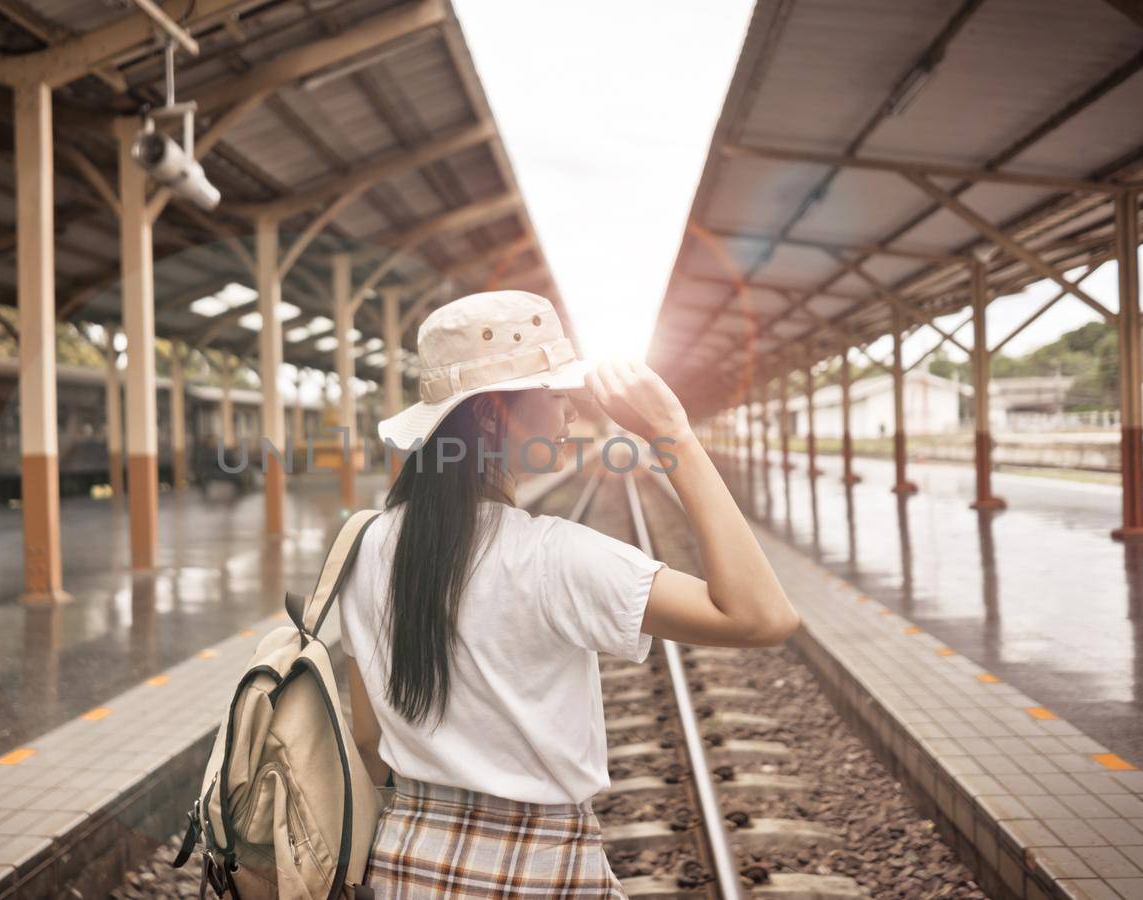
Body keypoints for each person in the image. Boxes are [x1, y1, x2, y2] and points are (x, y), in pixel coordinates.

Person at [339, 289, 799, 898]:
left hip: (403, 865)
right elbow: (762, 618)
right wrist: (675, 437)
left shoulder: (362, 547)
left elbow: (369, 741)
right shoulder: (555, 555)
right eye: (555, 398)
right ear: (487, 416)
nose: (570, 417)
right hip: (538, 871)